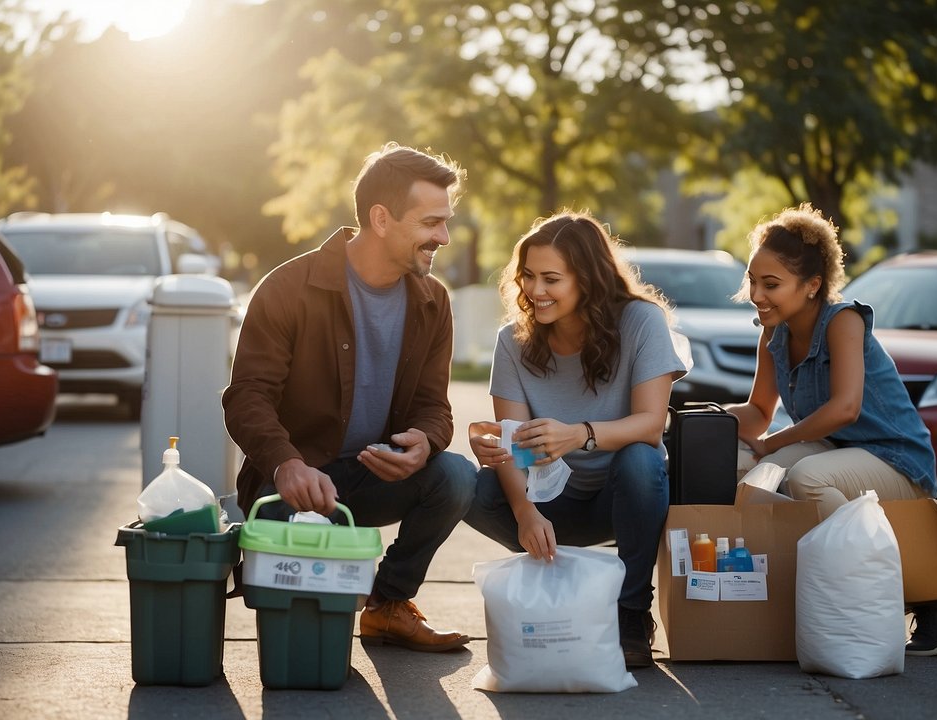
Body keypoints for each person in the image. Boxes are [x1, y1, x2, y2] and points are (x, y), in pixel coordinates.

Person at [222, 142, 476, 653]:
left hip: (371, 476)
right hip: (294, 481)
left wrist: (425, 441)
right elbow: (247, 396)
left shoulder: (433, 300)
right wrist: (285, 465)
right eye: (431, 223)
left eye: (445, 222)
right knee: (306, 644)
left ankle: (388, 605)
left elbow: (435, 405)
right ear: (381, 219)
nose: (443, 237)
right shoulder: (289, 288)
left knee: (455, 476)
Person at [725, 203, 937, 656]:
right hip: (837, 452)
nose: (757, 294)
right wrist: (692, 418)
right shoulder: (772, 333)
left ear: (812, 285)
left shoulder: (843, 321)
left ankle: (922, 597)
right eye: (752, 281)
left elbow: (845, 409)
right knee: (758, 475)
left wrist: (773, 441)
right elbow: (758, 411)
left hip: (896, 460)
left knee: (806, 477)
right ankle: (785, 598)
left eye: (770, 284)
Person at [463, 211, 689, 668]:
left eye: (551, 278)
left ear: (588, 279)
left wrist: (579, 435)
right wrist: (524, 512)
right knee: (471, 488)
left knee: (641, 461)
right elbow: (512, 444)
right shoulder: (513, 341)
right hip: (551, 505)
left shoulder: (641, 322)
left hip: (624, 499)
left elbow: (650, 424)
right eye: (527, 276)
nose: (535, 291)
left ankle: (630, 613)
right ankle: (562, 579)